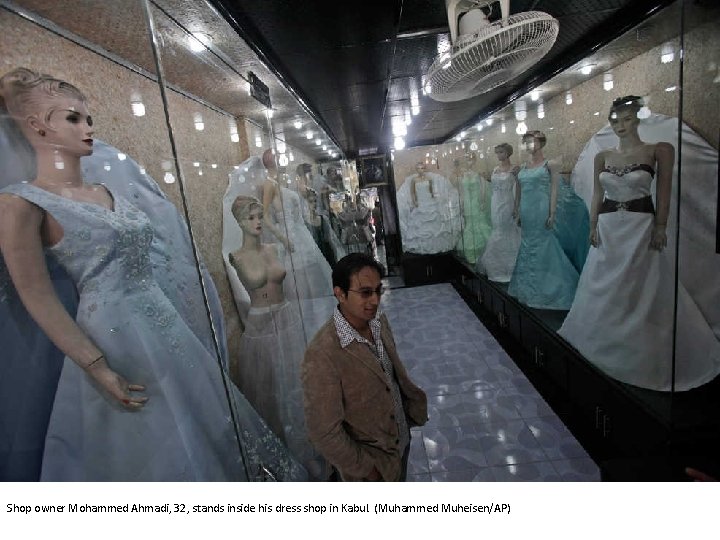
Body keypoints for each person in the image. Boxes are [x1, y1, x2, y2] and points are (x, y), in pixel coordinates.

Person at [0, 67, 305, 481]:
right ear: (36, 125)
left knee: (207, 423)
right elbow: (37, 295)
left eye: (88, 118)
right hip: (111, 337)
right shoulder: (21, 204)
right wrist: (95, 365)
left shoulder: (111, 192)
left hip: (165, 326)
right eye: (72, 118)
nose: (88, 128)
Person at [558, 96, 720, 391]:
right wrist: (593, 224)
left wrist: (660, 226)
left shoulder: (659, 150)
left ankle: (642, 350)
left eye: (627, 119)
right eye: (615, 120)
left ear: (639, 119)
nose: (620, 125)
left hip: (639, 227)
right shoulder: (602, 156)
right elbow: (597, 194)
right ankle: (601, 343)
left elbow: (664, 194)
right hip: (609, 229)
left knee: (642, 285)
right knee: (604, 284)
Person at [301, 253, 428, 481]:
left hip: (399, 442)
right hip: (370, 467)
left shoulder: (378, 321)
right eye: (365, 293)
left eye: (378, 291)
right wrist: (368, 470)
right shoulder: (322, 354)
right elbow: (324, 432)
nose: (375, 300)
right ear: (339, 293)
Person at [228, 195, 325, 478]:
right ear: (239, 221)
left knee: (298, 380)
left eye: (260, 216)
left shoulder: (272, 248)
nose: (258, 222)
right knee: (269, 389)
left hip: (287, 317)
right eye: (251, 217)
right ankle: (280, 451)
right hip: (261, 324)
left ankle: (309, 442)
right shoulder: (236, 256)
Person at [507, 130, 579, 309]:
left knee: (544, 243)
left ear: (541, 142)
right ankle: (528, 290)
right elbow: (519, 190)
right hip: (526, 209)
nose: (529, 145)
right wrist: (516, 209)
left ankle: (552, 290)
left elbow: (555, 188)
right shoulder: (522, 168)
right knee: (527, 243)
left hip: (541, 209)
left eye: (532, 141)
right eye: (526, 142)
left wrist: (552, 212)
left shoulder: (550, 164)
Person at [260, 149, 333, 299]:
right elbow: (264, 215)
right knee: (297, 282)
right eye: (280, 157)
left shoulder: (280, 182)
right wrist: (282, 237)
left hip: (297, 232)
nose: (283, 160)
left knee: (307, 280)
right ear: (273, 161)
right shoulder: (269, 184)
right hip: (287, 235)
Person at [477, 143, 521, 282]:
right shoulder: (496, 169)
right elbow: (492, 187)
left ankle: (509, 267)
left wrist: (516, 207)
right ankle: (498, 266)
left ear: (508, 153)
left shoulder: (515, 169)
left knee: (507, 231)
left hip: (508, 202)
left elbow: (519, 189)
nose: (499, 155)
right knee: (497, 229)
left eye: (501, 152)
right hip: (495, 203)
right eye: (497, 153)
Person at [396, 161, 461, 254]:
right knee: (420, 224)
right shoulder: (414, 180)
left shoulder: (429, 179)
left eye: (422, 168)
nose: (420, 170)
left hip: (430, 201)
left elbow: (432, 191)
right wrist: (414, 202)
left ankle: (436, 246)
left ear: (425, 168)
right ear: (416, 169)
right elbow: (413, 193)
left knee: (434, 223)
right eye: (418, 168)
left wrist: (437, 199)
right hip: (420, 203)